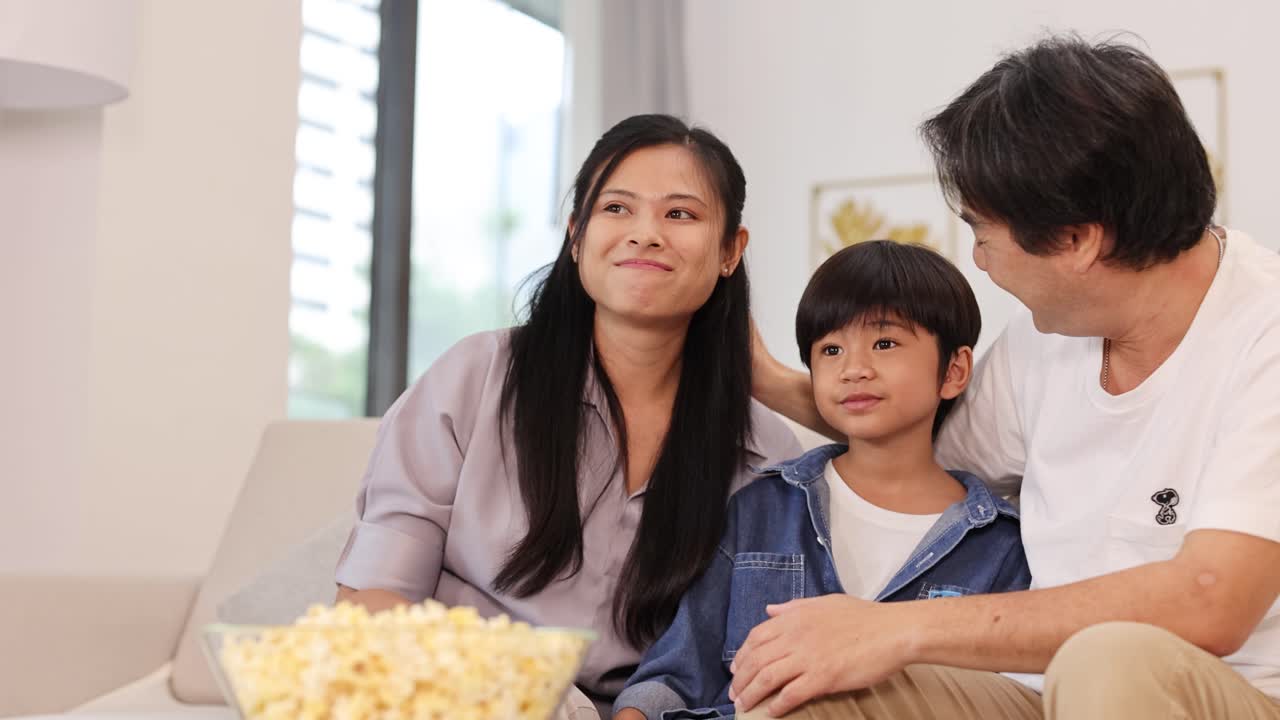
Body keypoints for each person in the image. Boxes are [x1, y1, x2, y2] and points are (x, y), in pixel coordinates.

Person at [740, 35, 1280, 720]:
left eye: (983, 232)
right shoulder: (1044, 340)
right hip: (1044, 697)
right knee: (810, 688)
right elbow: (916, 443)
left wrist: (895, 629)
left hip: (1233, 695)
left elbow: (1212, 599)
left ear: (1078, 240)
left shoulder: (1265, 331)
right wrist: (766, 379)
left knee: (1106, 660)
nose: (981, 261)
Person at [333, 113, 801, 720]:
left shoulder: (768, 453)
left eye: (680, 214)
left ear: (729, 251)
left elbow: (737, 657)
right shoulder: (475, 377)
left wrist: (784, 386)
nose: (646, 234)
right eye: (616, 209)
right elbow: (374, 599)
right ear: (577, 236)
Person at [612, 241, 1030, 720]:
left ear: (954, 371)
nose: (853, 369)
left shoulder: (1001, 546)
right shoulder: (760, 509)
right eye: (830, 349)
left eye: (885, 343)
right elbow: (675, 673)